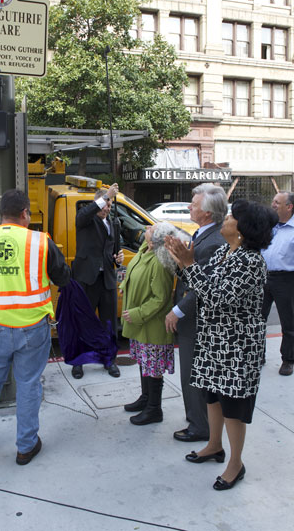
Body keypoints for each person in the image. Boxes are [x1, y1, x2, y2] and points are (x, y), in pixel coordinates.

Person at [165, 200, 278, 491]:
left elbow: (217, 296)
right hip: (214, 339)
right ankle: (215, 446)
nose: (225, 219)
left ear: (242, 229)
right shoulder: (224, 253)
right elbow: (201, 285)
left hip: (237, 345)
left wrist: (189, 265)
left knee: (233, 407)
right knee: (212, 396)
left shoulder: (251, 261)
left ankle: (235, 463)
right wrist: (182, 261)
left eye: (231, 217)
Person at [0, 189, 70, 465]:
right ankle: (26, 446)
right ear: (24, 213)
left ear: (2, 214)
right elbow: (63, 278)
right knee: (28, 385)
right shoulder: (40, 242)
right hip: (33, 327)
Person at [165, 184, 227, 442]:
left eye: (194, 203)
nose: (189, 206)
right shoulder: (202, 234)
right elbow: (191, 274)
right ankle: (197, 419)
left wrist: (178, 311)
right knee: (191, 372)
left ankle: (200, 427)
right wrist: (179, 263)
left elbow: (203, 286)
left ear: (208, 213)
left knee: (194, 374)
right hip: (193, 317)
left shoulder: (214, 241)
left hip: (198, 319)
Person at [121, 222, 187, 425]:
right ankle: (145, 398)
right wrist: (125, 285)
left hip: (151, 323)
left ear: (155, 239)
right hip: (142, 323)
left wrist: (138, 313)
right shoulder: (145, 250)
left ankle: (154, 409)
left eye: (151, 228)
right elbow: (132, 272)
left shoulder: (159, 262)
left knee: (153, 366)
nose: (147, 228)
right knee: (144, 362)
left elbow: (160, 298)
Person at [71, 183, 124, 379]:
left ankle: (109, 360)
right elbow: (83, 215)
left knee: (108, 322)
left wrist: (117, 259)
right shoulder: (85, 220)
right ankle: (78, 362)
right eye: (104, 204)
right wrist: (106, 196)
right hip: (86, 278)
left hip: (107, 280)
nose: (106, 209)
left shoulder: (112, 223)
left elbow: (112, 251)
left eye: (109, 205)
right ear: (97, 203)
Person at [261, 191, 294, 376]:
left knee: (288, 322)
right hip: (264, 276)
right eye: (273, 201)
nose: (272, 205)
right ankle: (259, 355)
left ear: (289, 207)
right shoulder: (270, 227)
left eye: (277, 202)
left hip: (286, 279)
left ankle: (288, 360)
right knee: (258, 319)